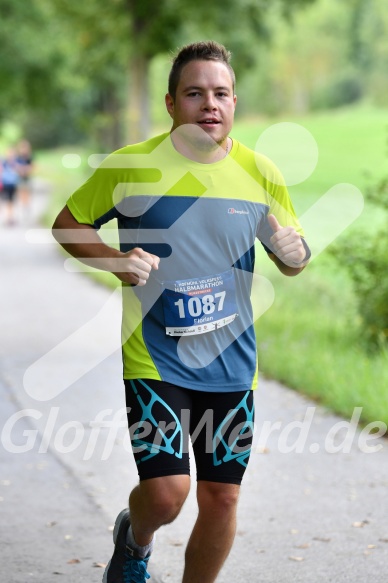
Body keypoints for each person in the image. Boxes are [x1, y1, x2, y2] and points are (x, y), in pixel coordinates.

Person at [52, 41, 310, 583]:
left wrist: (294, 256)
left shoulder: (260, 173)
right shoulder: (130, 166)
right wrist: (115, 259)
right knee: (169, 495)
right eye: (195, 93)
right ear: (171, 103)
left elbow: (291, 251)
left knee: (221, 497)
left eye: (220, 94)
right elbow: (68, 225)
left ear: (234, 101)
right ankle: (136, 538)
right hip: (156, 357)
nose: (208, 104)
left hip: (232, 362)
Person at [0, 147, 20, 226]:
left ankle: (9, 217)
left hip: (13, 184)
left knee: (11, 201)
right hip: (4, 184)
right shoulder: (4, 163)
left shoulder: (16, 163)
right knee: (5, 201)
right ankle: (8, 217)